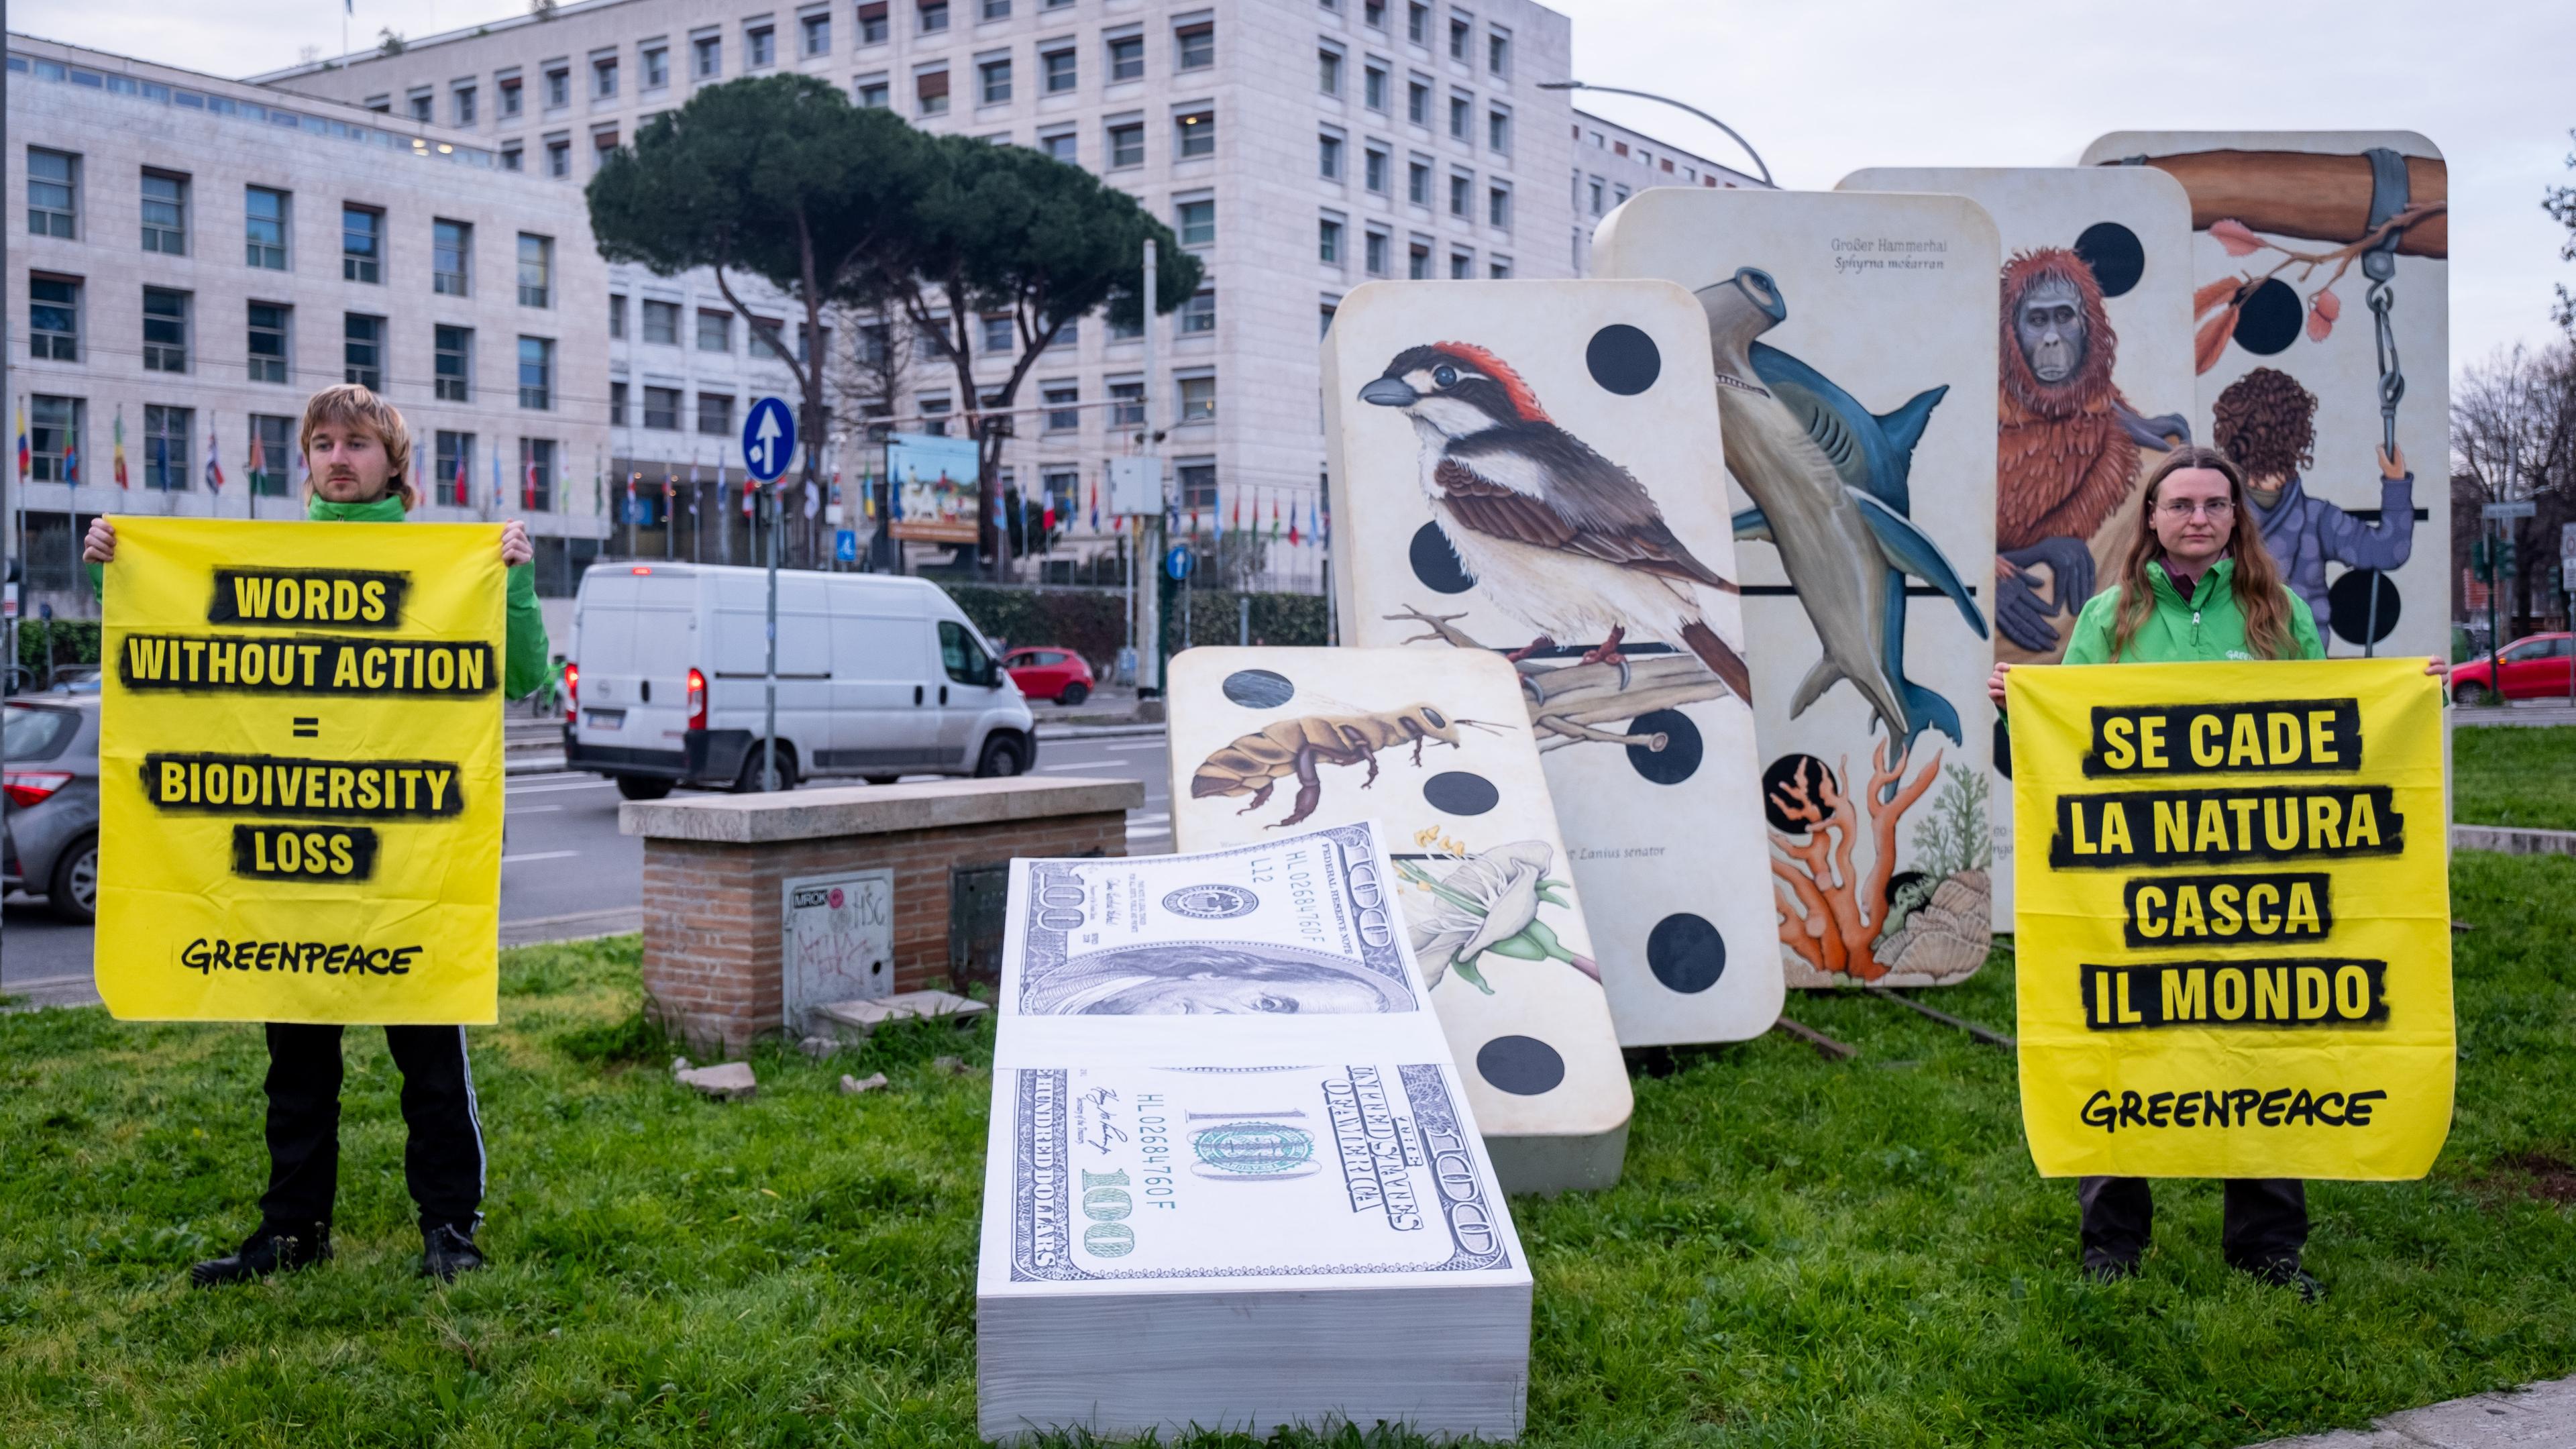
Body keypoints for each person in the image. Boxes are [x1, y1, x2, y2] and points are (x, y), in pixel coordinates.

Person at [84, 384, 547, 1286]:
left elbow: (522, 674)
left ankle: (450, 1230)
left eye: (359, 445)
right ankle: (293, 1235)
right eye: (324, 442)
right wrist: (117, 566)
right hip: (288, 875)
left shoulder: (445, 567)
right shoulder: (259, 559)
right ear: (304, 459)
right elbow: (165, 647)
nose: (339, 458)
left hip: (406, 872)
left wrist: (516, 577)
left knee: (432, 1066)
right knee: (295, 1068)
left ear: (393, 466)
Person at [1988, 445, 2443, 1301]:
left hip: (2257, 889)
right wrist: (2027, 708)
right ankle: (2111, 1249)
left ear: (2237, 519)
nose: (2197, 519)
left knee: (2264, 1049)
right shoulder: (2106, 620)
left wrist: (2406, 696)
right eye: (2180, 504)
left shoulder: (2282, 619)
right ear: (2153, 520)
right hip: (2135, 892)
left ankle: (2269, 1251)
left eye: (2213, 505)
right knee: (2123, 1051)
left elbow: (2330, 734)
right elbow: (2071, 746)